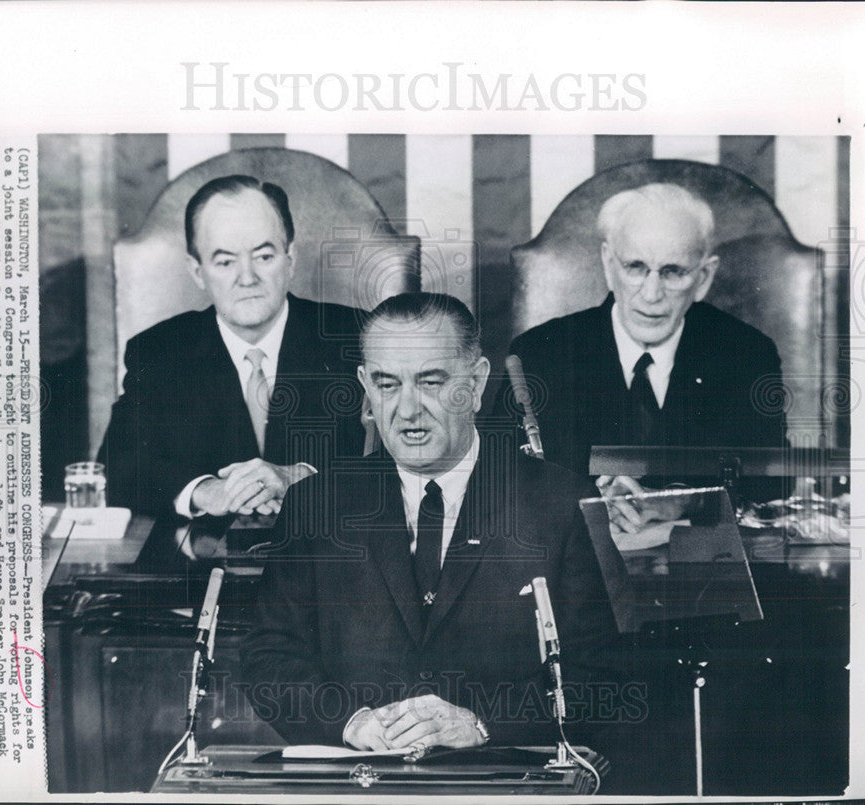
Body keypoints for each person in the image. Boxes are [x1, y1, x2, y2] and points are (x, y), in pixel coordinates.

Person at [241, 293, 620, 750]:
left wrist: (482, 724)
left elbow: (602, 678)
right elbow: (269, 657)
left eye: (431, 382)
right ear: (364, 385)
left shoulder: (559, 503)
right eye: (386, 384)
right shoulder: (315, 505)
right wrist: (351, 723)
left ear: (477, 384)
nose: (407, 409)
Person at [495, 183, 788, 531]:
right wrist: (586, 496)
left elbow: (775, 482)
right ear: (608, 263)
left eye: (673, 272)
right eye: (635, 267)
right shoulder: (539, 353)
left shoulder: (746, 353)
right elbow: (495, 480)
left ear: (704, 277)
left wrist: (687, 499)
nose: (651, 294)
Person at [97, 175, 367, 518]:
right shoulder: (159, 351)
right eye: (225, 262)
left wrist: (301, 476)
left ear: (291, 259)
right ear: (198, 272)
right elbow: (116, 472)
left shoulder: (356, 337)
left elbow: (408, 457)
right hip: (206, 560)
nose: (247, 277)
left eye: (264, 256)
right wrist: (205, 491)